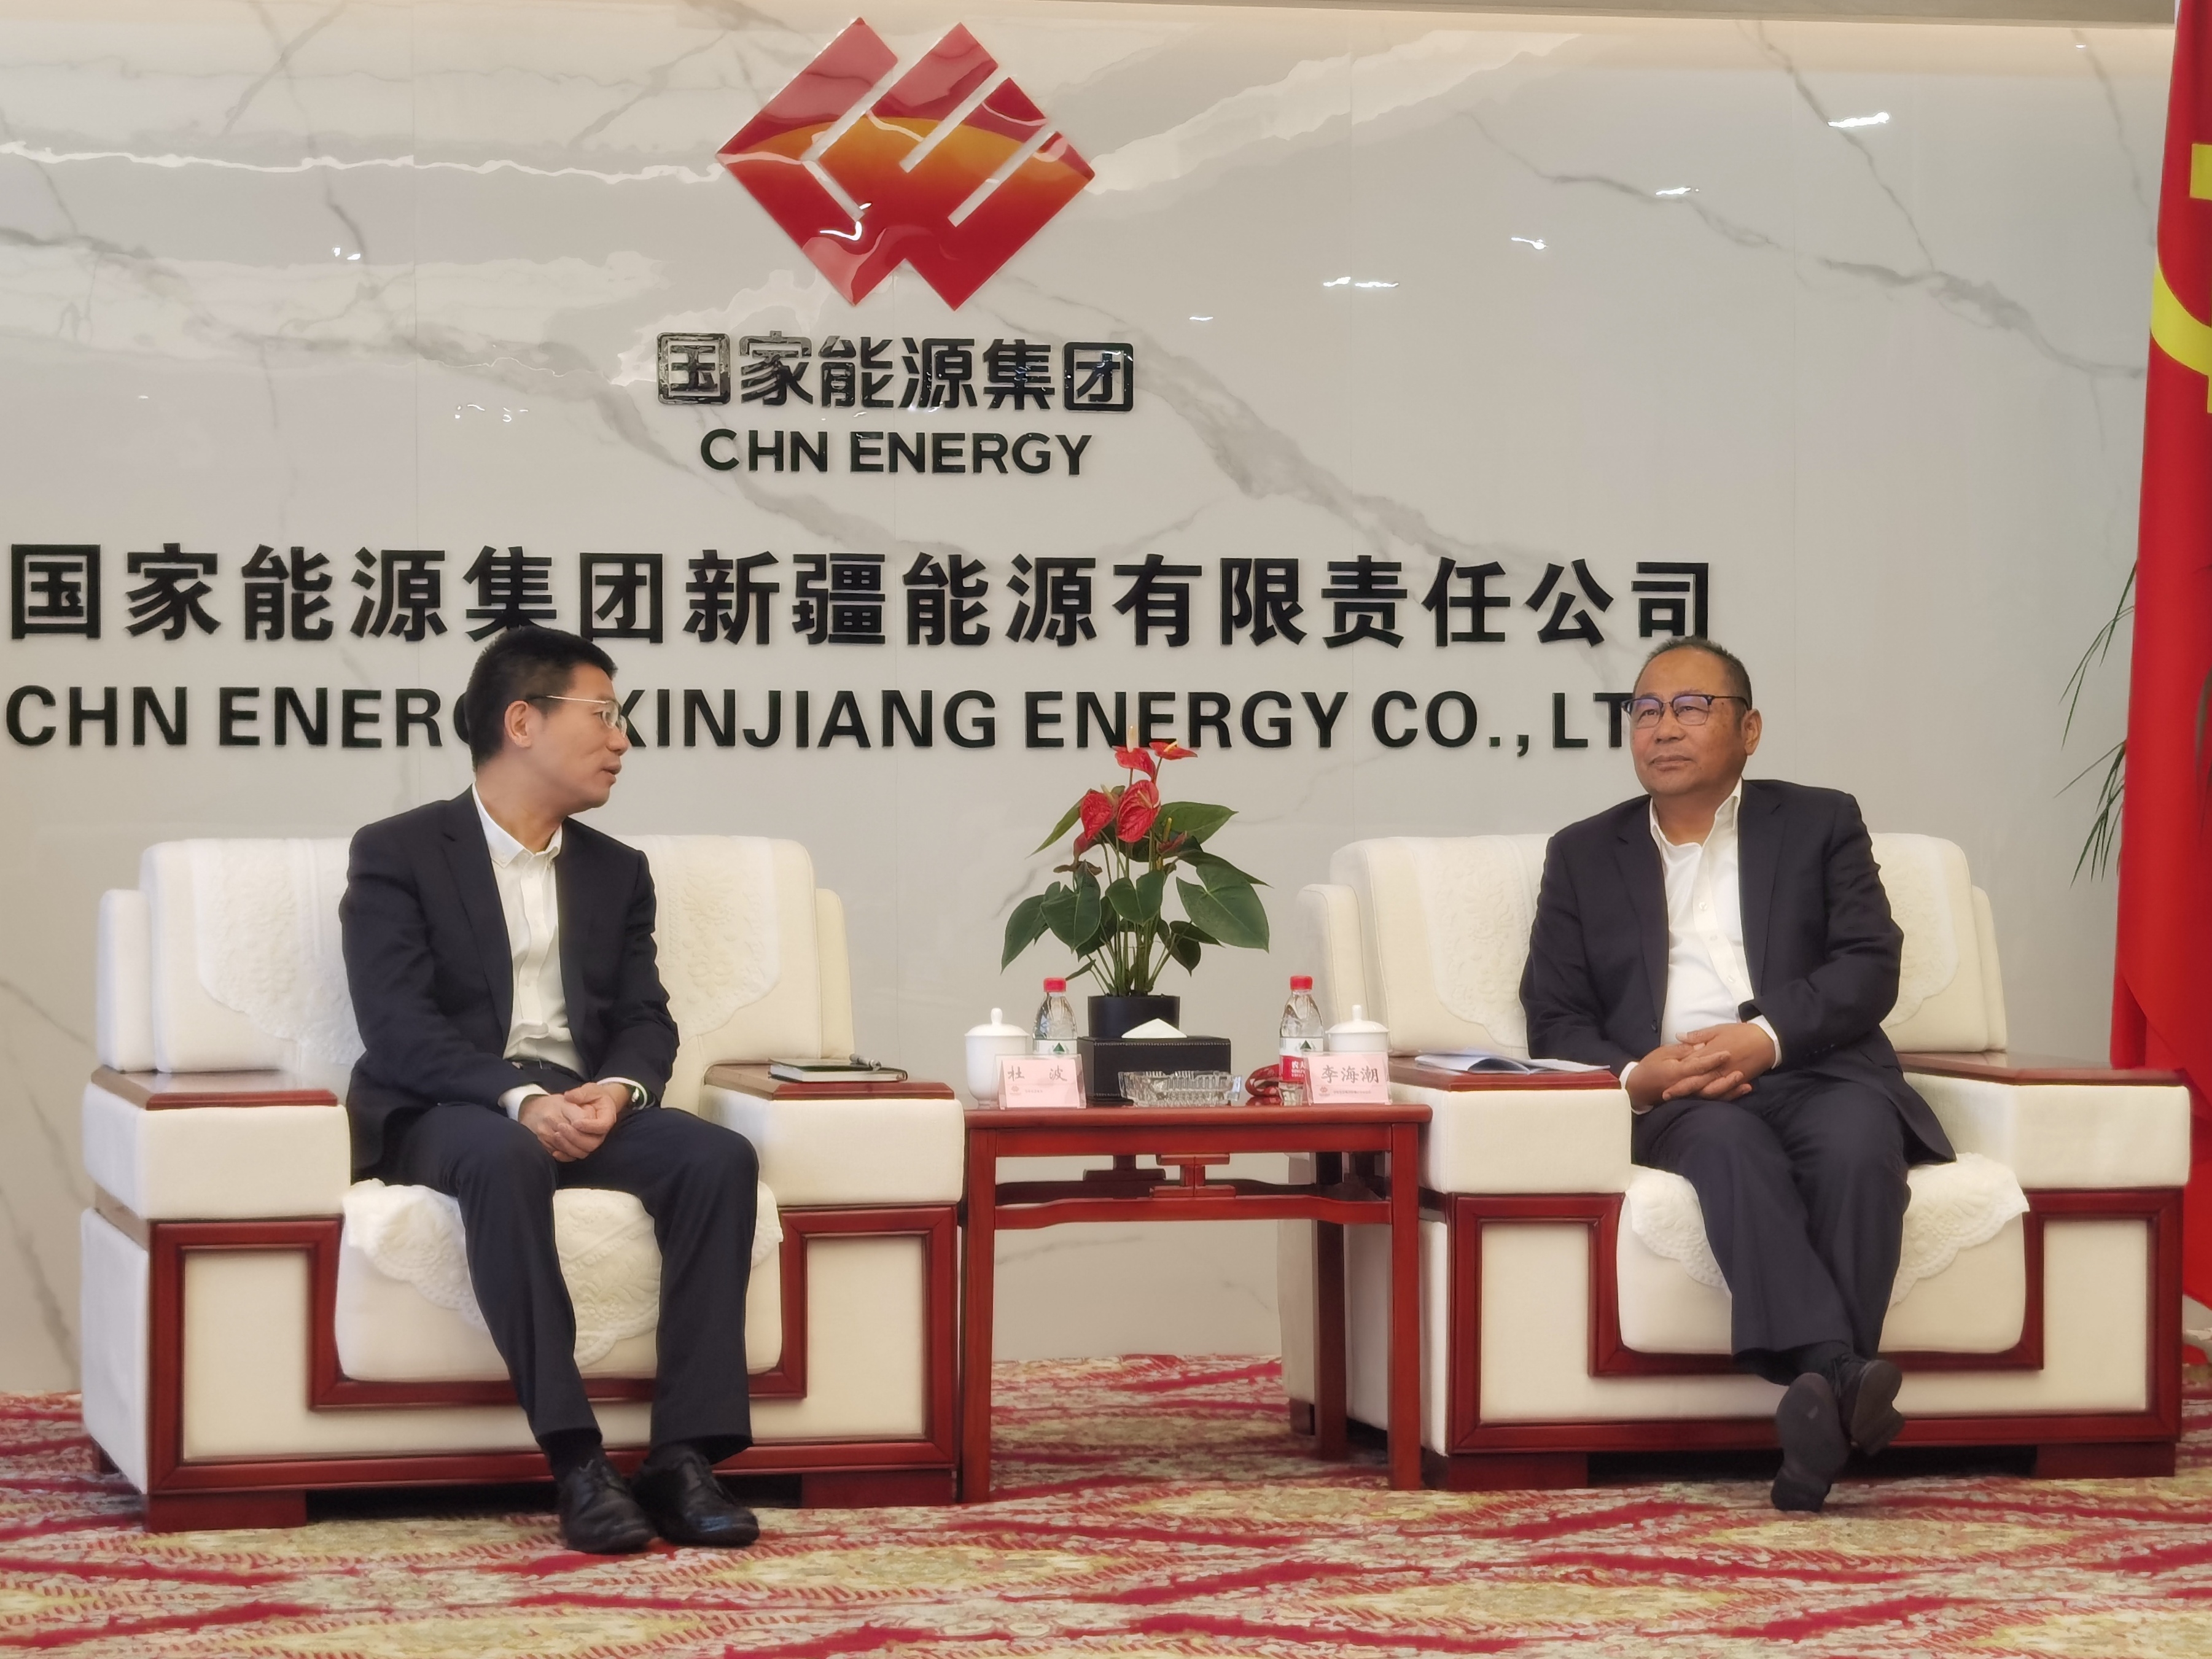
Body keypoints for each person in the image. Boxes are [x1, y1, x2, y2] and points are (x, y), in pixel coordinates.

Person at [340, 627, 762, 1554]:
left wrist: (616, 1091)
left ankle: (682, 1456)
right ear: (522, 722)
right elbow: (399, 1029)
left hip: (579, 1101)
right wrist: (517, 1099)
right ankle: (577, 1460)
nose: (622, 739)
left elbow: (645, 1018)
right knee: (503, 1155)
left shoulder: (617, 871)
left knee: (717, 1157)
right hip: (448, 1110)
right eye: (603, 715)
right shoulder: (399, 852)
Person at [1520, 637, 1953, 1513]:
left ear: (1749, 729)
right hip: (1681, 1096)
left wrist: (1766, 1036)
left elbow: (1869, 964)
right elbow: (1554, 1014)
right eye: (1646, 710)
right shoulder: (1582, 853)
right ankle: (1841, 1375)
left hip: (1817, 1069)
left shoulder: (1821, 821)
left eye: (1692, 707)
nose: (1663, 728)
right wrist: (1639, 1074)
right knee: (1730, 1150)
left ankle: (1819, 1415)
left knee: (1858, 1145)